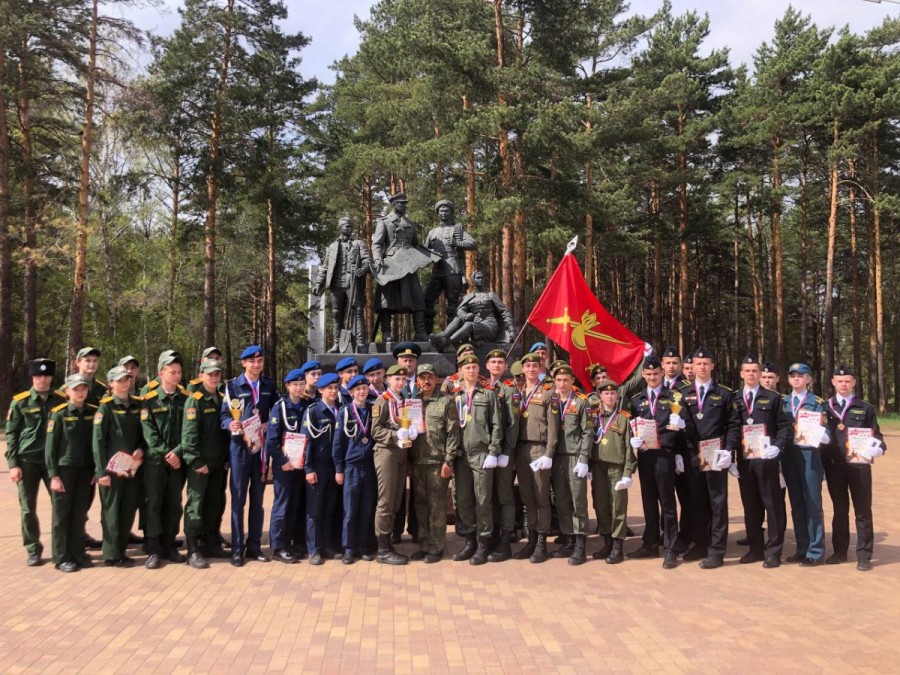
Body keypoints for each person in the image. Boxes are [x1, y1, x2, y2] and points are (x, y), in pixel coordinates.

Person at [679, 347, 741, 569]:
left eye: (706, 363)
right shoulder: (684, 394)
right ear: (692, 367)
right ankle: (700, 543)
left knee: (717, 503)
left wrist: (729, 450)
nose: (702, 367)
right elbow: (680, 426)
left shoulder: (724, 394)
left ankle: (716, 551)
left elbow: (733, 424)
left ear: (713, 366)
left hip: (715, 453)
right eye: (698, 364)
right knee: (696, 501)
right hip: (692, 454)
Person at [823, 364, 885, 572]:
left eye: (847, 381)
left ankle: (864, 555)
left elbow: (877, 435)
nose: (843, 384)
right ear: (833, 382)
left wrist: (878, 447)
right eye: (840, 381)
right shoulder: (824, 407)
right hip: (834, 467)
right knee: (840, 511)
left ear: (854, 383)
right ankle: (840, 552)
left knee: (863, 511)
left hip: (859, 468)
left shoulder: (865, 408)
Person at [733, 355, 792, 568]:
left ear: (759, 374)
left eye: (754, 370)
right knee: (751, 506)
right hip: (745, 461)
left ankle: (774, 551)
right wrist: (730, 457)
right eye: (747, 370)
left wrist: (777, 446)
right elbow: (730, 428)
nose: (751, 374)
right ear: (741, 374)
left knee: (772, 505)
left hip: (767, 460)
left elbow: (784, 427)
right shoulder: (734, 398)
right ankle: (755, 549)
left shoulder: (773, 398)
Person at [221, 345, 278, 567]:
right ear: (243, 363)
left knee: (257, 500)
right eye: (252, 361)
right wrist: (231, 424)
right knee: (238, 500)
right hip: (240, 448)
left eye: (260, 361)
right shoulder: (233, 386)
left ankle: (254, 546)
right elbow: (224, 416)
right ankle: (237, 548)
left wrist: (268, 424)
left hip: (260, 450)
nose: (256, 365)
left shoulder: (269, 386)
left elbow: (276, 412)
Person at [7, 359, 66, 566]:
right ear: (32, 377)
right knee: (27, 508)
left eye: (46, 375)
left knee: (60, 505)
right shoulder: (20, 402)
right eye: (38, 375)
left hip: (54, 462)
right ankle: (33, 549)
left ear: (51, 377)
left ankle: (61, 549)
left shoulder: (61, 400)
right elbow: (12, 434)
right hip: (27, 461)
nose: (42, 379)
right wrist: (13, 464)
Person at [628, 356, 682, 569]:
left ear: (662, 373)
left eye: (656, 374)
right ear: (643, 375)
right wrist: (633, 439)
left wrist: (676, 452)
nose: (652, 377)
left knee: (667, 503)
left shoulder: (673, 397)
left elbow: (678, 429)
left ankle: (670, 548)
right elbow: (633, 424)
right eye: (648, 374)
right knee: (648, 500)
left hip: (664, 455)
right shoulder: (636, 399)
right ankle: (650, 543)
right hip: (645, 455)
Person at [451, 354, 502, 565]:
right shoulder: (455, 395)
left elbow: (497, 425)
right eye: (467, 368)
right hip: (461, 455)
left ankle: (483, 543)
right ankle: (469, 541)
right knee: (464, 500)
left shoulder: (488, 394)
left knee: (483, 500)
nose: (471, 371)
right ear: (460, 371)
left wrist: (493, 451)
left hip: (482, 454)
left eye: (474, 367)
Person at [140, 351, 189, 568]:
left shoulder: (186, 399)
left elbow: (189, 431)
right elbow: (149, 433)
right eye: (172, 372)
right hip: (155, 463)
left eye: (179, 372)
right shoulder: (149, 400)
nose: (177, 375)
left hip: (178, 462)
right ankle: (153, 548)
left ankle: (169, 545)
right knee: (154, 504)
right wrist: (167, 454)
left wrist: (177, 452)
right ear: (161, 373)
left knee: (174, 504)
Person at [93, 366, 145, 567]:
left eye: (127, 379)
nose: (125, 382)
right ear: (111, 383)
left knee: (128, 510)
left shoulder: (138, 405)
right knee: (112, 512)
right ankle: (111, 554)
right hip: (111, 471)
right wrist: (101, 472)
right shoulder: (105, 408)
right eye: (120, 380)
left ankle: (121, 551)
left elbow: (143, 434)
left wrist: (141, 448)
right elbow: (98, 442)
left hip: (131, 469)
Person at [181, 358, 230, 569]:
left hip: (218, 463)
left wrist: (226, 458)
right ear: (201, 375)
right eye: (210, 374)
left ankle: (210, 544)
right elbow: (189, 435)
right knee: (196, 505)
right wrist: (195, 460)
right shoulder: (195, 401)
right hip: (200, 464)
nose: (214, 377)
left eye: (217, 374)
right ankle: (193, 549)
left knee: (214, 504)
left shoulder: (223, 398)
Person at [408, 364, 459, 563]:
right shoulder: (413, 403)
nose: (426, 381)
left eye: (430, 377)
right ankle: (424, 544)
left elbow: (453, 433)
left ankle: (436, 547)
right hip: (418, 462)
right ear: (418, 381)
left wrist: (449, 460)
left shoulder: (446, 402)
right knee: (420, 505)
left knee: (437, 506)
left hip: (438, 462)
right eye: (423, 378)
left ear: (436, 379)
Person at [45, 373, 97, 572]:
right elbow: (50, 448)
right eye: (76, 389)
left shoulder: (92, 412)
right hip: (65, 471)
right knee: (61, 516)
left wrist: (96, 469)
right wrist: (54, 475)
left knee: (79, 513)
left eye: (83, 388)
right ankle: (61, 557)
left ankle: (77, 553)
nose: (80, 392)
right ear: (67, 391)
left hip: (85, 471)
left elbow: (95, 444)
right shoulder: (59, 414)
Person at [781, 362, 829, 566]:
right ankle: (802, 548)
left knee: (812, 503)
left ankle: (815, 551)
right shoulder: (782, 402)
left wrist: (822, 435)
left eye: (801, 375)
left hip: (810, 457)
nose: (796, 379)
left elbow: (828, 433)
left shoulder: (817, 403)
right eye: (793, 375)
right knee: (796, 503)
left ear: (809, 379)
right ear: (788, 379)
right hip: (789, 457)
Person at [513, 352, 558, 563]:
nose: (531, 369)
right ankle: (531, 539)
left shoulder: (548, 393)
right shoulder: (518, 392)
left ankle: (541, 542)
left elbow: (553, 427)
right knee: (527, 498)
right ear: (522, 369)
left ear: (540, 368)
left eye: (535, 366)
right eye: (528, 366)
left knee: (541, 498)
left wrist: (549, 453)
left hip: (539, 449)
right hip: (521, 450)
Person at [371, 192, 433, 342]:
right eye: (401, 203)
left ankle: (420, 332)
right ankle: (386, 332)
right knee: (386, 300)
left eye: (405, 204)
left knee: (417, 298)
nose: (404, 206)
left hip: (408, 264)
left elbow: (415, 244)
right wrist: (378, 259)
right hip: (391, 265)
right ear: (394, 205)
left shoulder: (410, 224)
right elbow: (377, 244)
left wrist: (429, 252)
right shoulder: (384, 222)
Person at [266, 369, 312, 564]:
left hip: (300, 465)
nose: (299, 388)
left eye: (301, 384)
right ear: (287, 386)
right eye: (295, 384)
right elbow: (271, 441)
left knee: (294, 505)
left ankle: (289, 543)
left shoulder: (306, 406)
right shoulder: (280, 407)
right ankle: (278, 547)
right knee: (282, 505)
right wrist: (282, 461)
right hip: (284, 465)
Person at [548, 364, 592, 565]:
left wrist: (584, 458)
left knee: (578, 501)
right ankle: (569, 539)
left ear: (572, 381)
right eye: (558, 380)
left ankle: (580, 544)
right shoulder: (552, 400)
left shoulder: (581, 402)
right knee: (562, 500)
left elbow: (587, 432)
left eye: (566, 380)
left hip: (575, 457)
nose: (562, 383)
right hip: (557, 457)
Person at [590, 378, 637, 564]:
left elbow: (629, 448)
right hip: (598, 467)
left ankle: (618, 546)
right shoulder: (593, 416)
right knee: (601, 505)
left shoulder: (624, 418)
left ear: (618, 396)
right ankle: (607, 542)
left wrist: (627, 473)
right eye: (606, 393)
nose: (610, 396)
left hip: (616, 467)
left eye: (612, 393)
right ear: (600, 396)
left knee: (618, 506)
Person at [371, 365, 415, 565]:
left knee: (396, 500)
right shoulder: (382, 400)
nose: (401, 382)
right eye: (397, 379)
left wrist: (411, 431)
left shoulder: (403, 400)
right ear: (388, 379)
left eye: (403, 379)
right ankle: (382, 549)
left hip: (401, 453)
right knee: (386, 501)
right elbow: (375, 430)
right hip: (386, 452)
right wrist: (395, 434)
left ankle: (388, 542)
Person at [332, 374, 378, 564]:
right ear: (351, 392)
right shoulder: (345, 412)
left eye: (364, 388)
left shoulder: (373, 409)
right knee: (350, 511)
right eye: (357, 389)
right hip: (351, 467)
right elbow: (337, 443)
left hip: (369, 466)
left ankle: (363, 546)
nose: (361, 392)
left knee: (367, 509)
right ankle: (349, 548)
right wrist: (338, 469)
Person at [313, 216, 373, 353]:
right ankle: (336, 344)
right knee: (336, 314)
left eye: (351, 226)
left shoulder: (359, 243)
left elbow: (368, 260)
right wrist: (318, 283)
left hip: (353, 282)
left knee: (357, 312)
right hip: (336, 283)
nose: (349, 228)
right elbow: (325, 267)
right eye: (347, 226)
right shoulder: (332, 247)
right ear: (340, 228)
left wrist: (364, 268)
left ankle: (360, 343)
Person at [301, 372, 342, 565]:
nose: (333, 391)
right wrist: (308, 468)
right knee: (314, 511)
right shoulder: (313, 411)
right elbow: (306, 441)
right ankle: (313, 549)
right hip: (318, 466)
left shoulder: (341, 409)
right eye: (329, 388)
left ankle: (326, 546)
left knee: (329, 509)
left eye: (336, 387)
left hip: (334, 466)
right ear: (320, 390)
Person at [484, 349, 520, 562]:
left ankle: (505, 543)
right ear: (487, 366)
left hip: (503, 453)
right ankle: (492, 537)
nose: (497, 365)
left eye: (500, 362)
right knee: (490, 496)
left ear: (506, 366)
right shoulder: (483, 388)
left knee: (505, 496)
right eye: (493, 362)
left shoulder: (509, 390)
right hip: (487, 452)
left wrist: (506, 451)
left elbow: (513, 424)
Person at [423, 200, 478, 333]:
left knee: (453, 303)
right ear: (438, 213)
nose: (444, 213)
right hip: (437, 269)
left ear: (451, 213)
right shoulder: (432, 232)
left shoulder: (457, 230)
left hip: (452, 268)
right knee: (427, 300)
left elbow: (473, 244)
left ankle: (450, 334)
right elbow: (424, 250)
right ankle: (426, 334)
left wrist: (456, 242)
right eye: (441, 211)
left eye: (446, 210)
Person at [429, 270, 514, 351]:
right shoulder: (468, 297)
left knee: (469, 325)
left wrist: (512, 331)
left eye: (482, 278)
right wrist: (465, 315)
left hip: (490, 328)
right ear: (473, 280)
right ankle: (443, 336)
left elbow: (505, 312)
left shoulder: (491, 295)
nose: (480, 280)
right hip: (475, 328)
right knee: (458, 319)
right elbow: (460, 310)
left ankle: (446, 342)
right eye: (478, 278)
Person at [392, 342, 420, 543]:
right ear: (398, 361)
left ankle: (416, 530)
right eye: (404, 360)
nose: (408, 363)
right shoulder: (393, 387)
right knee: (398, 489)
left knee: (419, 489)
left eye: (411, 360)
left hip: (419, 444)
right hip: (398, 445)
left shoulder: (423, 382)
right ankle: (396, 530)